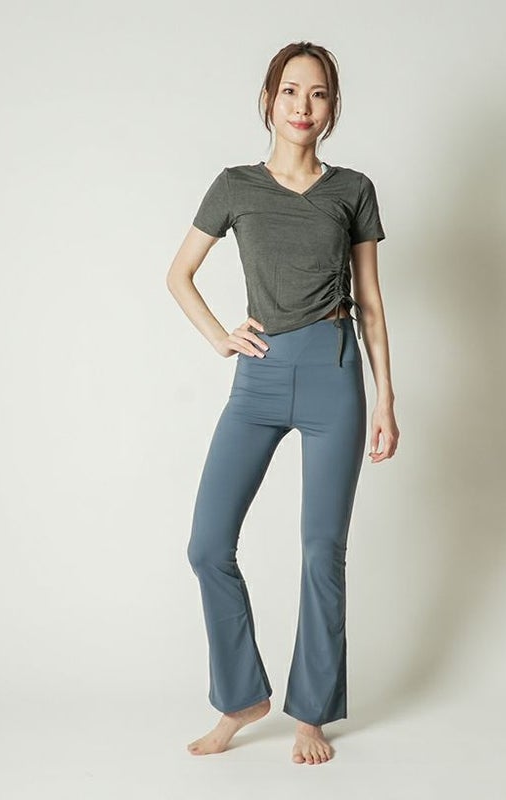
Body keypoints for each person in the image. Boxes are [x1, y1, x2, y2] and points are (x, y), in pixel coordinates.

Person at [166, 41, 399, 765]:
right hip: (260, 379)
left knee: (322, 551)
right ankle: (241, 698)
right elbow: (179, 275)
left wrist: (386, 400)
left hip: (334, 372)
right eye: (291, 91)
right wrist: (220, 337)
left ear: (332, 108)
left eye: (318, 93)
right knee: (208, 545)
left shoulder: (352, 189)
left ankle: (312, 714)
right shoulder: (235, 186)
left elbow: (370, 303)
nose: (303, 106)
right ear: (269, 100)